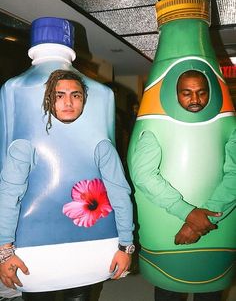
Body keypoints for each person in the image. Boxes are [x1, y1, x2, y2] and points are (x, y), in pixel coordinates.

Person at [0, 69, 135, 301]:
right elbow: (8, 196)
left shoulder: (101, 144)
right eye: (59, 95)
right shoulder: (25, 142)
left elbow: (120, 195)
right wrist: (4, 252)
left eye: (76, 95)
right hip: (35, 250)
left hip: (90, 246)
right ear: (47, 99)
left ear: (84, 100)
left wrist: (126, 246)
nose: (69, 102)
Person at [129, 70, 236, 301]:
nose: (195, 100)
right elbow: (143, 174)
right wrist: (187, 212)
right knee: (169, 289)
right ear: (175, 94)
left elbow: (235, 176)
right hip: (168, 231)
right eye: (186, 93)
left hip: (219, 230)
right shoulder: (154, 129)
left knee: (210, 290)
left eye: (201, 93)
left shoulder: (230, 127)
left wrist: (200, 221)